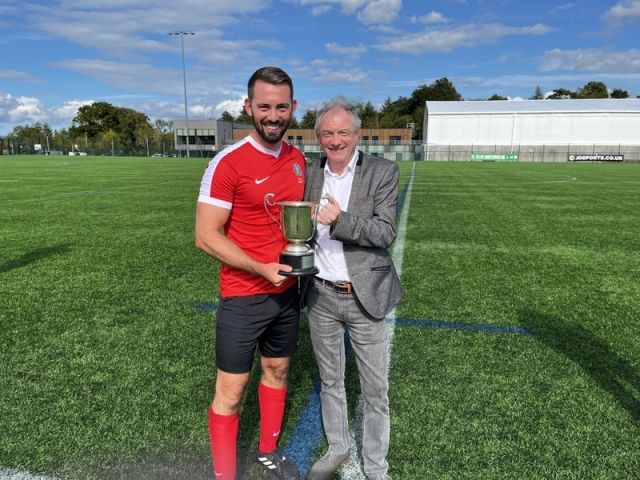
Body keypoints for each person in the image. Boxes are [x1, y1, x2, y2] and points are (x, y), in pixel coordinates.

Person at [195, 66, 304, 480]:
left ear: (292, 108)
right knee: (232, 390)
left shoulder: (297, 160)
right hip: (243, 296)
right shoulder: (228, 162)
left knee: (277, 370)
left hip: (287, 295)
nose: (272, 116)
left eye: (280, 107)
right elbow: (206, 236)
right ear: (249, 107)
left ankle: (268, 450)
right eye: (264, 107)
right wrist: (260, 267)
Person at [303, 97, 403, 480]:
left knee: (375, 390)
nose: (336, 139)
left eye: (343, 132)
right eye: (327, 133)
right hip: (321, 296)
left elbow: (384, 232)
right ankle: (339, 448)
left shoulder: (382, 171)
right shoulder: (311, 173)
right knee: (331, 381)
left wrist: (339, 221)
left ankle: (377, 467)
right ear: (318, 137)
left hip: (365, 296)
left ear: (357, 135)